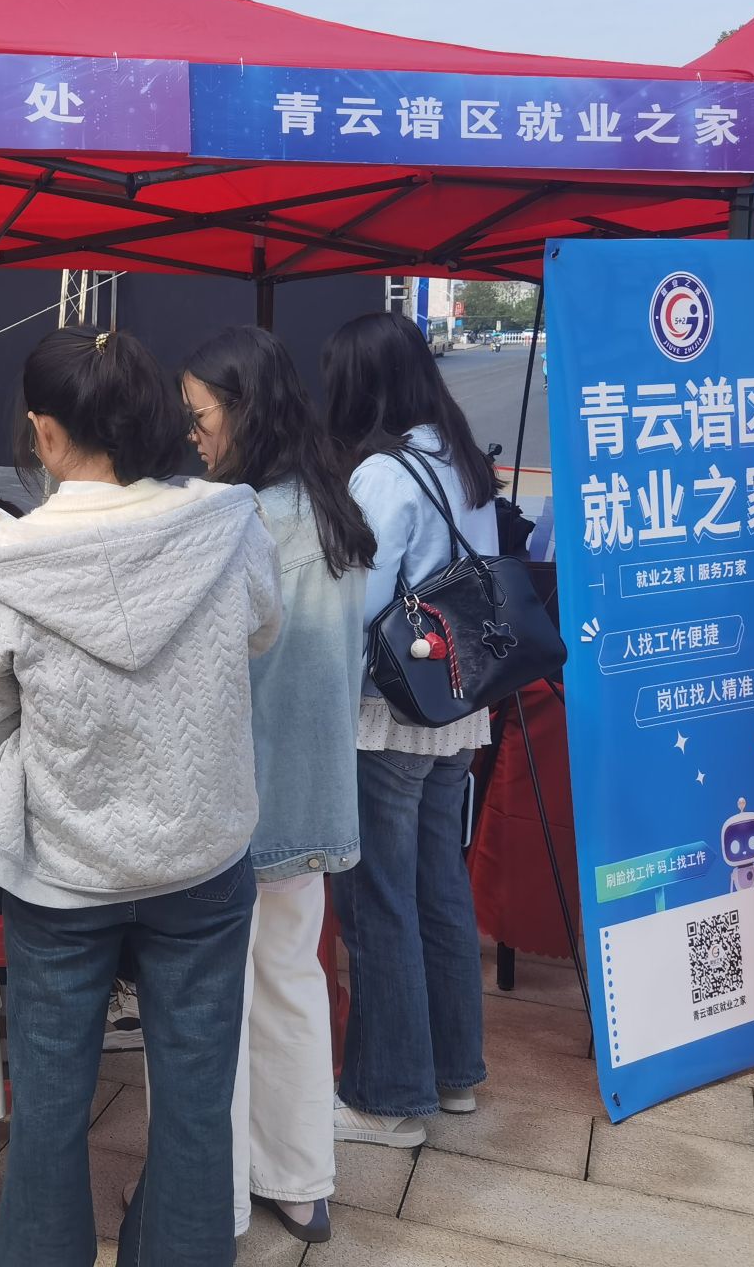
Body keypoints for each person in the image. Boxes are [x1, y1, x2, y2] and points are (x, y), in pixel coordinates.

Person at [0, 326, 282, 1267]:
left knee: (50, 1106)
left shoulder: (6, 563)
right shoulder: (228, 528)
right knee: (196, 1103)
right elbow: (260, 633)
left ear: (45, 434)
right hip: (202, 853)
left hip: (62, 864)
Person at [182, 327, 375, 1246]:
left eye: (200, 416)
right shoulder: (334, 510)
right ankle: (300, 1182)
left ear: (242, 412)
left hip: (243, 792)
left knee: (216, 999)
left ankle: (213, 1199)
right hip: (318, 790)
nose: (192, 435)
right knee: (295, 981)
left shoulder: (243, 523)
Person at [321, 310, 500, 1149]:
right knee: (439, 888)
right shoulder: (461, 460)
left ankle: (388, 1097)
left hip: (387, 713)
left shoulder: (383, 474)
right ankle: (454, 1072)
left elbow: (357, 606)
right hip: (458, 705)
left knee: (380, 901)